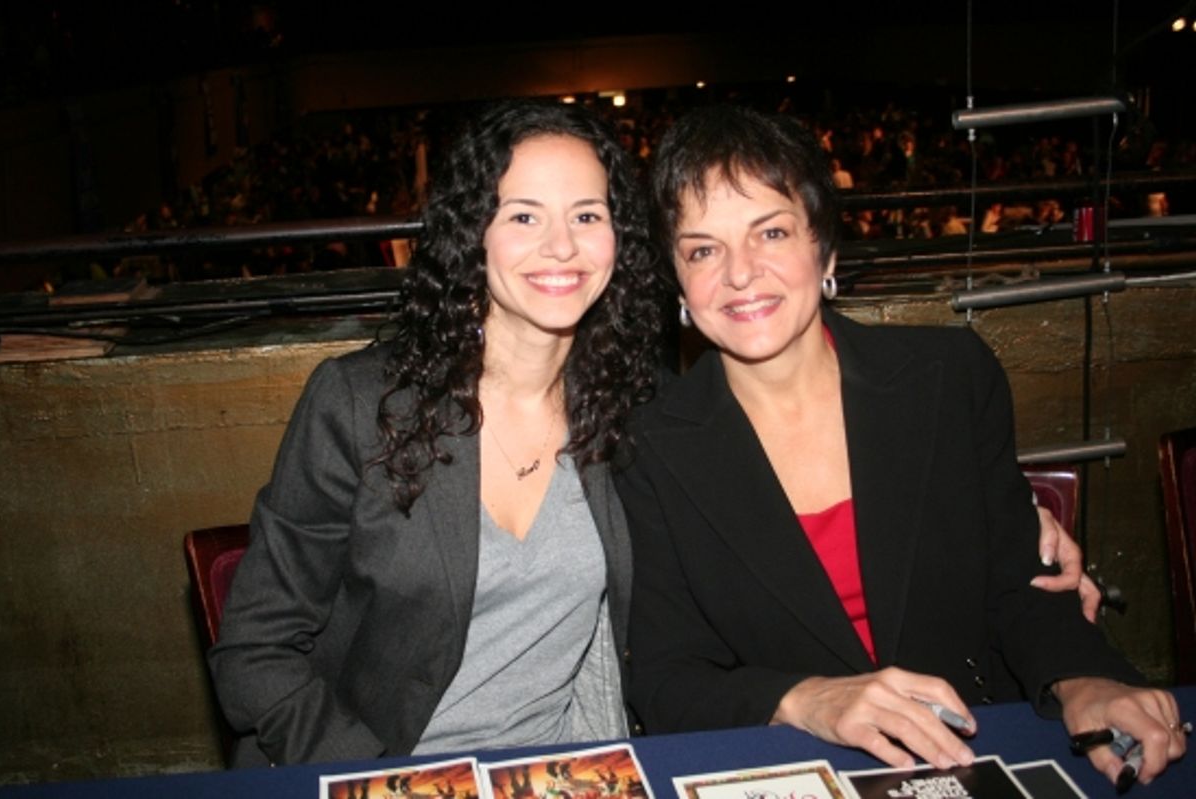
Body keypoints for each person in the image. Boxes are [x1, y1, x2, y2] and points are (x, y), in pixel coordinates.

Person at [618, 105, 1185, 787]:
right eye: (703, 248)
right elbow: (663, 677)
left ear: (824, 249)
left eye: (771, 231)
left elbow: (1019, 581)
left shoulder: (948, 376)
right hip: (791, 765)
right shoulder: (650, 445)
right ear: (678, 281)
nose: (740, 273)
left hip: (975, 743)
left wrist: (1083, 678)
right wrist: (804, 698)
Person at [208, 100, 663, 765]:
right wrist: (380, 779)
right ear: (472, 231)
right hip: (380, 764)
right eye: (524, 215)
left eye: (587, 215)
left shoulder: (630, 409)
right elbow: (254, 650)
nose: (561, 245)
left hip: (564, 771)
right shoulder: (360, 404)